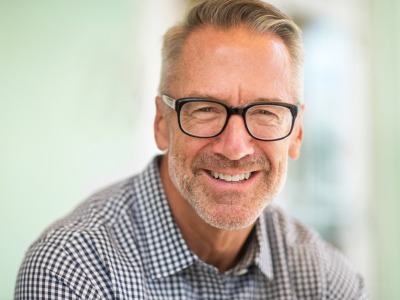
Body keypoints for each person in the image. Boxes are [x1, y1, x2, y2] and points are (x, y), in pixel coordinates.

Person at [15, 0, 368, 299]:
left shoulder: (325, 280)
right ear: (161, 123)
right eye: (205, 109)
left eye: (265, 112)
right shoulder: (72, 270)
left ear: (296, 133)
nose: (234, 148)